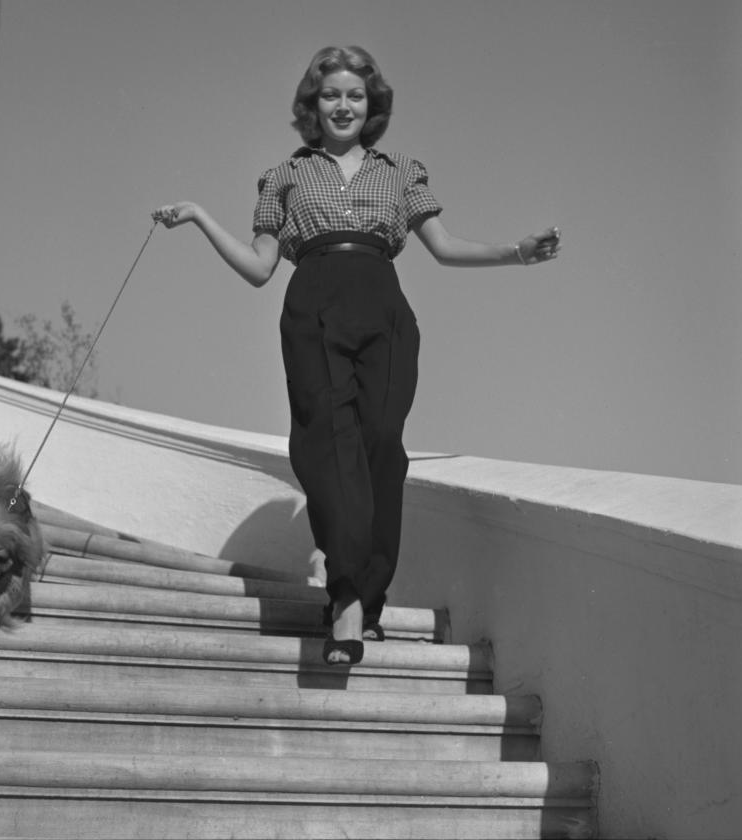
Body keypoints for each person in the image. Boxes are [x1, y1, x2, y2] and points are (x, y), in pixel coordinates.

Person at [153, 44, 560, 666]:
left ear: (371, 106)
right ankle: (345, 597)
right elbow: (261, 268)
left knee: (379, 445)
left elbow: (444, 247)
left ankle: (368, 598)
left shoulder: (401, 171)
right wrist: (203, 217)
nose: (343, 105)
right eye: (330, 94)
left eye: (355, 95)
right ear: (311, 106)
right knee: (324, 442)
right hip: (311, 302)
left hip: (383, 307)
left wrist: (516, 251)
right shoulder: (283, 175)